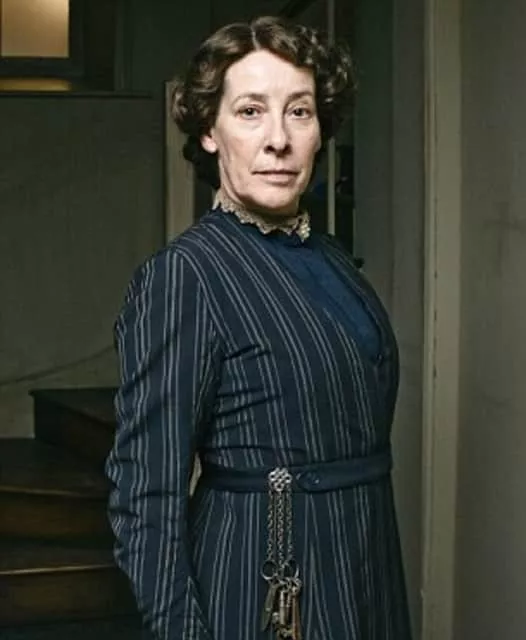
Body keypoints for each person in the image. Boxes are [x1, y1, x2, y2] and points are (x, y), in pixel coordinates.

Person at [105, 15, 412, 640]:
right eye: (250, 111)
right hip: (264, 582)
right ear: (209, 131)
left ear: (321, 129)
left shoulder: (331, 258)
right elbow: (147, 497)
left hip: (368, 571)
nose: (279, 139)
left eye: (299, 111)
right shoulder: (186, 275)